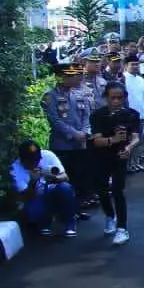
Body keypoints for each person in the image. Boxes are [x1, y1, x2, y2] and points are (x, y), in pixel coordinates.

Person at [88, 81, 142, 247]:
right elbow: (96, 141)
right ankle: (110, 216)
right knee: (102, 190)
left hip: (120, 155)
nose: (116, 101)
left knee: (118, 190)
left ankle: (122, 228)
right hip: (101, 157)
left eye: (120, 98)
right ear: (107, 97)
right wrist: (113, 140)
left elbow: (136, 137)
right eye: (113, 98)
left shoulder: (131, 114)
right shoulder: (97, 115)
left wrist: (129, 147)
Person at [40, 62, 96, 216]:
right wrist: (74, 134)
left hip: (80, 144)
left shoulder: (79, 94)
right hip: (62, 145)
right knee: (63, 178)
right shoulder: (49, 97)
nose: (76, 78)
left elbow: (87, 116)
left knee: (79, 177)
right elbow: (55, 121)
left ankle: (76, 209)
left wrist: (85, 133)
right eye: (70, 76)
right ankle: (64, 212)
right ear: (60, 77)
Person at [11, 140, 78, 237]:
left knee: (65, 188)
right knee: (33, 213)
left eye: (37, 159)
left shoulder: (48, 155)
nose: (35, 162)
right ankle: (45, 221)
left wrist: (54, 178)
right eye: (31, 160)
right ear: (22, 159)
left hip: (53, 191)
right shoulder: (16, 168)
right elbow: (25, 196)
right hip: (36, 196)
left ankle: (69, 222)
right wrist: (32, 182)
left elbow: (65, 177)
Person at [123, 54, 144, 174]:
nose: (135, 66)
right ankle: (128, 165)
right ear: (125, 66)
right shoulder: (123, 78)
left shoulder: (141, 79)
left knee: (138, 141)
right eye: (132, 64)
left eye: (137, 64)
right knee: (129, 142)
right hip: (128, 116)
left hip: (141, 115)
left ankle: (135, 163)